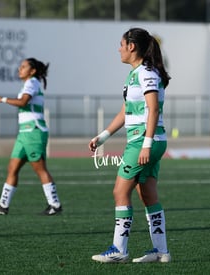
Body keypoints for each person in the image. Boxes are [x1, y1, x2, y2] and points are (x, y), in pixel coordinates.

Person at [88, 28, 171, 263]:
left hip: (144, 141)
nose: (119, 48)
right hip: (147, 141)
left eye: (121, 44)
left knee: (119, 191)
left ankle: (119, 250)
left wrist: (145, 145)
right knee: (147, 194)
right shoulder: (136, 74)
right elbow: (126, 111)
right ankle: (161, 251)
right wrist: (102, 137)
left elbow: (153, 109)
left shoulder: (146, 73)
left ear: (131, 46)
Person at [0, 58, 62, 216]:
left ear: (32, 71)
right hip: (24, 133)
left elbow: (24, 102)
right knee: (12, 168)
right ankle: (3, 205)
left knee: (40, 169)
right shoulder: (28, 83)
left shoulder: (32, 82)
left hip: (33, 131)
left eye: (24, 66)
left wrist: (2, 99)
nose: (20, 68)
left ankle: (55, 205)